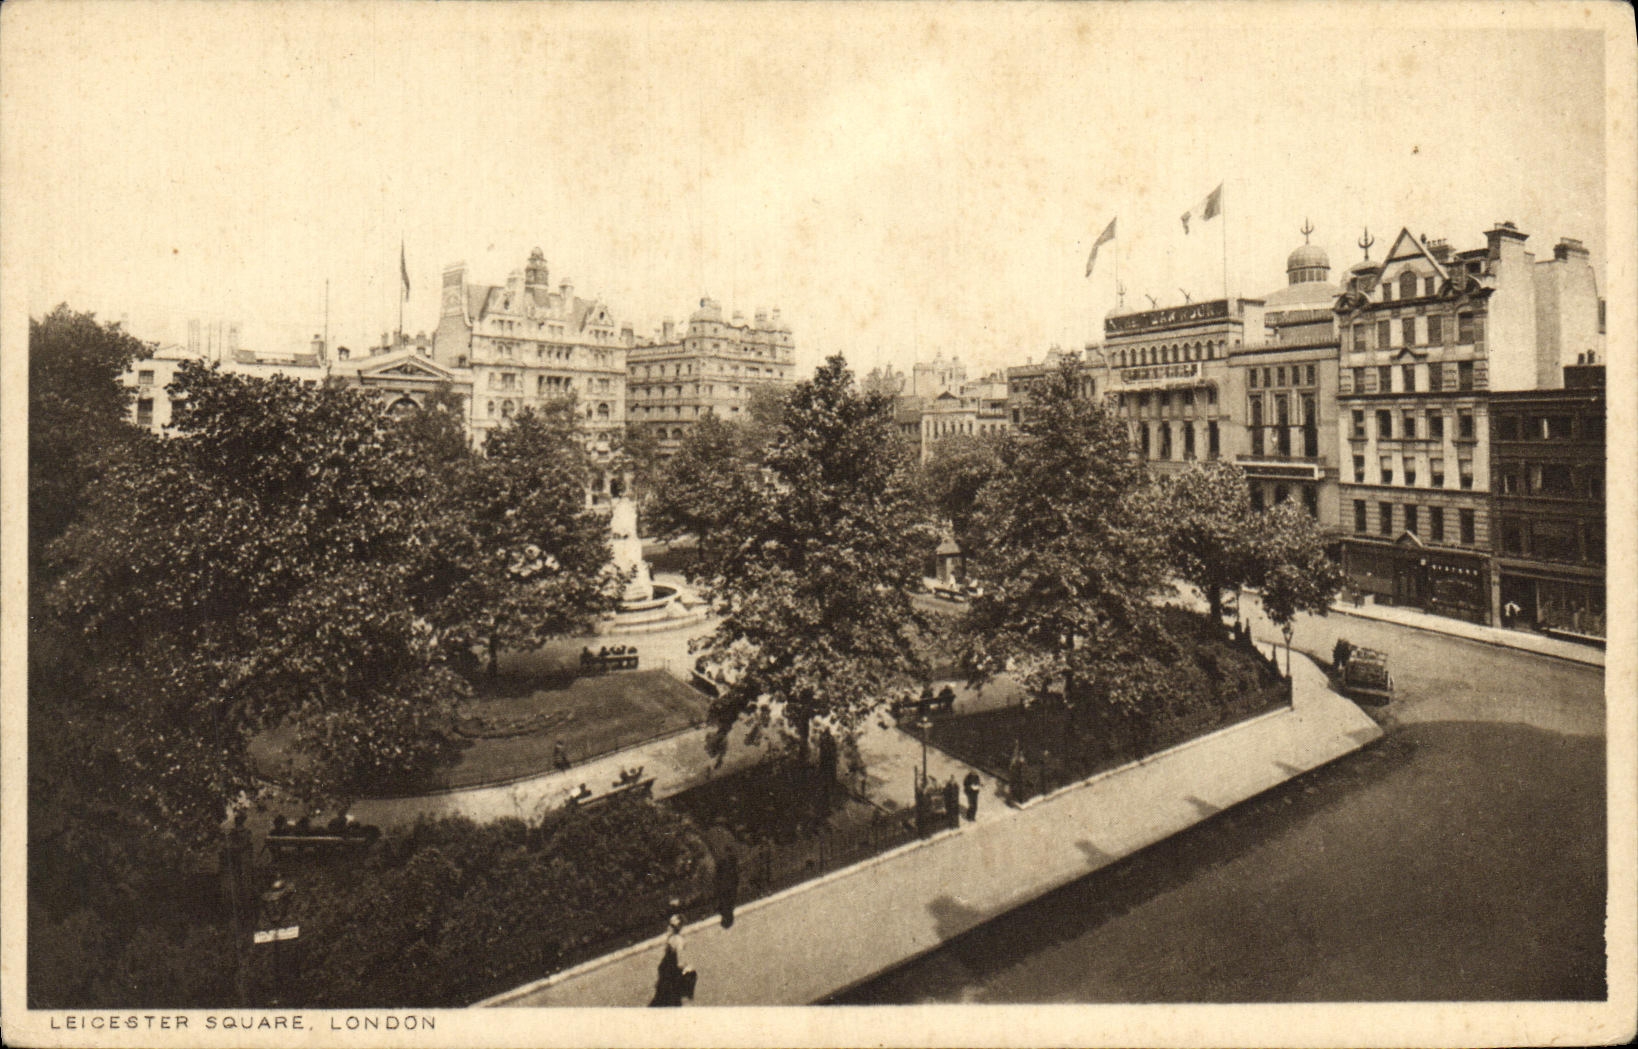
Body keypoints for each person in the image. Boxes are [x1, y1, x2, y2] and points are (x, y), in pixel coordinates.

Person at [649, 913, 695, 1006]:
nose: (668, 928)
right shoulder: (674, 939)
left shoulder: (676, 940)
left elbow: (680, 962)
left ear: (676, 928)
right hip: (668, 977)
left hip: (670, 978)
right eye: (669, 925)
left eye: (671, 926)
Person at [715, 844, 740, 929]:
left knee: (723, 867)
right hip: (726, 884)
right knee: (726, 868)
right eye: (725, 919)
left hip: (724, 884)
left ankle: (726, 853)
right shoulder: (727, 908)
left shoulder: (725, 909)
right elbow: (732, 893)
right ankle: (727, 853)